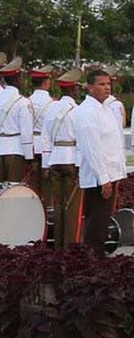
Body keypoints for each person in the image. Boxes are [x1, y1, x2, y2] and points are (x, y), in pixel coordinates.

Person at [73, 70, 127, 254]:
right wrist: (103, 178)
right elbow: (92, 149)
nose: (106, 88)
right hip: (99, 176)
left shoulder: (105, 108)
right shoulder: (87, 112)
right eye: (101, 84)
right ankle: (91, 258)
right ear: (89, 88)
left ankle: (96, 256)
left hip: (111, 172)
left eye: (108, 84)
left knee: (102, 220)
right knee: (96, 221)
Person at [41, 70, 82, 249]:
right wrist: (81, 165)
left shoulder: (51, 108)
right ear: (73, 89)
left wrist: (45, 163)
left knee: (57, 204)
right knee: (72, 205)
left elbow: (44, 137)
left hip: (54, 158)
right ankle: (70, 245)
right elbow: (81, 139)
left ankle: (57, 244)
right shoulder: (78, 110)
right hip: (72, 158)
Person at [0, 57, 33, 182]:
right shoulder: (23, 102)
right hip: (16, 150)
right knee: (13, 191)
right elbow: (26, 132)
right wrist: (29, 156)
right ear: (17, 78)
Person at [28, 65, 55, 201]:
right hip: (46, 146)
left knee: (31, 185)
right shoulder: (52, 103)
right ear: (46, 82)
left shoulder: (27, 101)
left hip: (31, 145)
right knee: (47, 185)